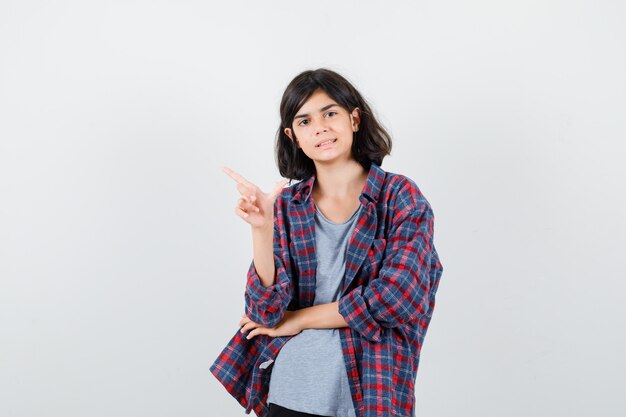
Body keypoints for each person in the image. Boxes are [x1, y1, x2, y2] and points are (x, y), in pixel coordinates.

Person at [210, 68, 443, 417]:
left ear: (354, 118)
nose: (319, 127)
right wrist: (262, 229)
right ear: (293, 136)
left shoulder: (400, 197)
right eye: (304, 121)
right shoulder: (286, 208)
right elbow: (264, 314)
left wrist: (301, 318)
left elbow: (399, 296)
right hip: (291, 392)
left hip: (371, 392)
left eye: (329, 113)